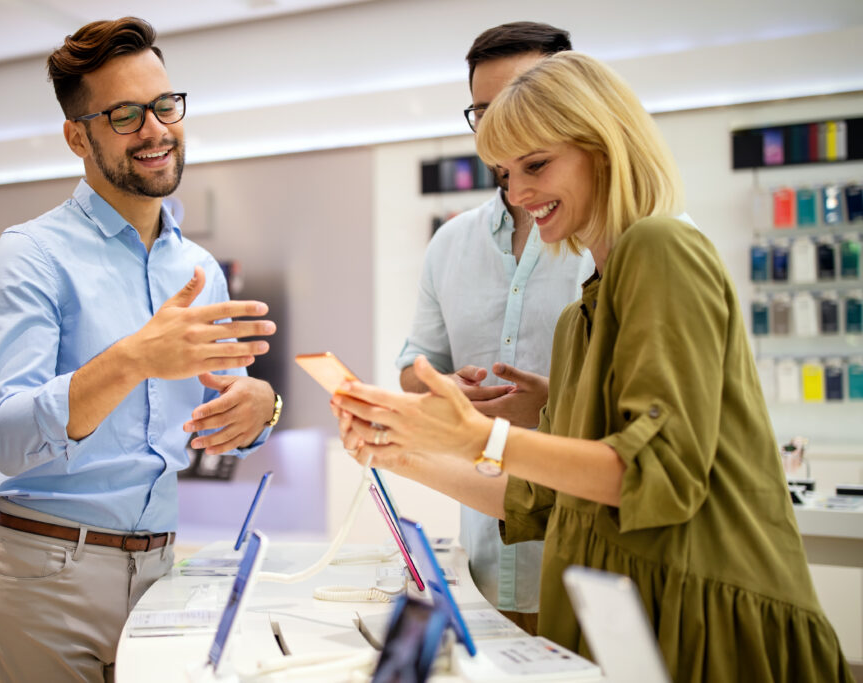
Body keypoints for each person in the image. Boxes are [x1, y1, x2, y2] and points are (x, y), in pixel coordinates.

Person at [334, 52, 853, 682]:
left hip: (703, 626)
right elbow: (537, 499)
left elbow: (655, 476)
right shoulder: (579, 319)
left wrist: (480, 437)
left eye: (536, 165)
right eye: (505, 174)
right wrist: (397, 452)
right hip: (624, 627)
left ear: (604, 148)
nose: (517, 194)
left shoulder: (661, 249)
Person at [0, 17, 281, 682]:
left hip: (162, 570)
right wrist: (132, 359)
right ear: (76, 136)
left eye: (165, 105)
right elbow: (3, 437)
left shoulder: (198, 268)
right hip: (47, 573)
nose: (155, 129)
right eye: (124, 115)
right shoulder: (30, 254)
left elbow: (231, 416)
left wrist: (261, 407)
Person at [395, 21, 593, 634]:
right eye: (483, 112)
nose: (500, 125)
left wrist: (552, 406)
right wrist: (443, 389)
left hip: (591, 568)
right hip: (484, 562)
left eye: (520, 99)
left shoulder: (627, 238)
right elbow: (415, 367)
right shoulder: (451, 242)